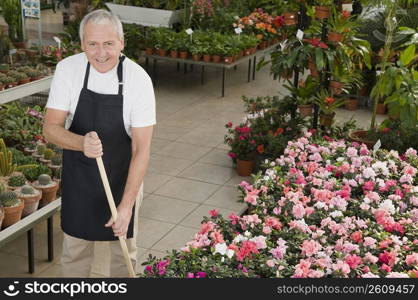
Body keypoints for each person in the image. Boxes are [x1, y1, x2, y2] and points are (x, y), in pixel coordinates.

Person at [43, 9, 155, 277]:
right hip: (79, 176)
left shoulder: (138, 79)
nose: (101, 53)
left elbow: (141, 149)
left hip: (122, 177)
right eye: (92, 44)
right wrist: (81, 142)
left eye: (109, 44)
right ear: (82, 44)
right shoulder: (67, 70)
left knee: (123, 252)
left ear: (121, 42)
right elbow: (50, 129)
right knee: (75, 251)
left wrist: (126, 206)